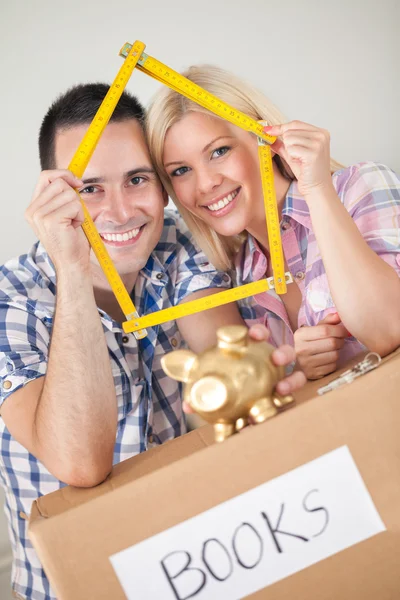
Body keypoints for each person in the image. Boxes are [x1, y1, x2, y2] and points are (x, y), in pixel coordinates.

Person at [0, 83, 304, 600]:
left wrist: (258, 374)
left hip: (191, 566)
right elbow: (79, 463)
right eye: (90, 188)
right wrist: (73, 268)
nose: (120, 212)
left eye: (137, 179)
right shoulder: (12, 300)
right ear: (53, 193)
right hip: (77, 585)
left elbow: (221, 365)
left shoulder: (175, 243)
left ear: (162, 187)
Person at [146, 64, 400, 380]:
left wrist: (316, 187)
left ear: (264, 137)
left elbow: (389, 329)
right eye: (181, 171)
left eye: (219, 151)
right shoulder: (243, 276)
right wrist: (302, 367)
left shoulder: (360, 187)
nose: (205, 184)